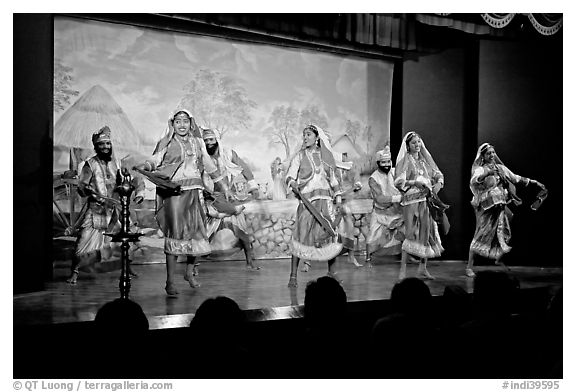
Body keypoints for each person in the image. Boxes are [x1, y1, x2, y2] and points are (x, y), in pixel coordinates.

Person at [134, 110, 230, 296]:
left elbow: (208, 164)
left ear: (191, 123)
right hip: (175, 194)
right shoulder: (167, 142)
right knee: (176, 235)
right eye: (178, 121)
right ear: (172, 124)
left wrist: (221, 183)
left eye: (185, 121)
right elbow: (155, 159)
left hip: (195, 193)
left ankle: (189, 272)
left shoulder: (197, 142)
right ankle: (170, 281)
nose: (182, 125)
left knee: (197, 234)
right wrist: (146, 166)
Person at [67, 126, 145, 284]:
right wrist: (86, 189)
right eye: (102, 144)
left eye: (108, 144)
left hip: (115, 209)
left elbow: (126, 179)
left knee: (126, 240)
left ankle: (126, 268)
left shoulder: (116, 163)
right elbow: (82, 186)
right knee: (84, 242)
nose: (105, 147)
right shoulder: (90, 164)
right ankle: (75, 272)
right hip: (97, 209)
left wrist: (136, 189)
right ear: (96, 146)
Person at [466, 143, 545, 277]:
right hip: (487, 207)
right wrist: (487, 173)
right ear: (483, 156)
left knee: (504, 231)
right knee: (481, 234)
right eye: (488, 153)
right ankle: (469, 267)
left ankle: (498, 259)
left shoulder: (501, 168)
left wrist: (533, 182)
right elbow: (474, 180)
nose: (491, 155)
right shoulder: (480, 169)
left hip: (500, 205)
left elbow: (515, 178)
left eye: (493, 152)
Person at [285, 124, 343, 287]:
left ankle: (332, 273)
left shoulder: (326, 158)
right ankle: (293, 276)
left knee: (330, 233)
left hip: (325, 201)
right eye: (304, 135)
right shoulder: (299, 156)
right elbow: (290, 174)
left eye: (308, 134)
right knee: (300, 235)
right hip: (307, 202)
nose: (305, 138)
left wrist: (338, 200)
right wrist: (292, 182)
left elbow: (334, 180)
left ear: (317, 137)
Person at [202, 127, 261, 270]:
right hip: (210, 199)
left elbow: (245, 168)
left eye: (211, 139)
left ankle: (249, 262)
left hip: (228, 198)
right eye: (205, 141)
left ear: (217, 140)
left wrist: (253, 187)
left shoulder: (228, 154)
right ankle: (193, 267)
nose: (208, 143)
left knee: (242, 232)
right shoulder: (201, 157)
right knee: (204, 235)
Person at [394, 131, 445, 281]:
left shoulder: (424, 160)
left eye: (419, 142)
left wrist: (439, 183)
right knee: (410, 233)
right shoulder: (406, 160)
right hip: (411, 200)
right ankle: (402, 271)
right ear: (408, 146)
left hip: (426, 199)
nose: (417, 145)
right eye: (414, 143)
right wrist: (414, 182)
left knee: (427, 232)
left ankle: (422, 268)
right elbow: (398, 181)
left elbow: (437, 173)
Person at [365, 146, 404, 266]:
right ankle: (368, 259)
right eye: (383, 162)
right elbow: (379, 198)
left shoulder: (394, 172)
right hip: (380, 212)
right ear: (378, 163)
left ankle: (406, 256)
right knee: (372, 235)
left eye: (388, 161)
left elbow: (402, 186)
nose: (386, 164)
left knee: (404, 231)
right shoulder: (373, 178)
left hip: (396, 210)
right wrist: (398, 198)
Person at [334, 152, 363, 268]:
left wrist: (357, 185)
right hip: (333, 203)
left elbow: (357, 182)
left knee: (349, 225)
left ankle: (351, 255)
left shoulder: (351, 171)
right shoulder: (332, 172)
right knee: (337, 229)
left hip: (345, 203)